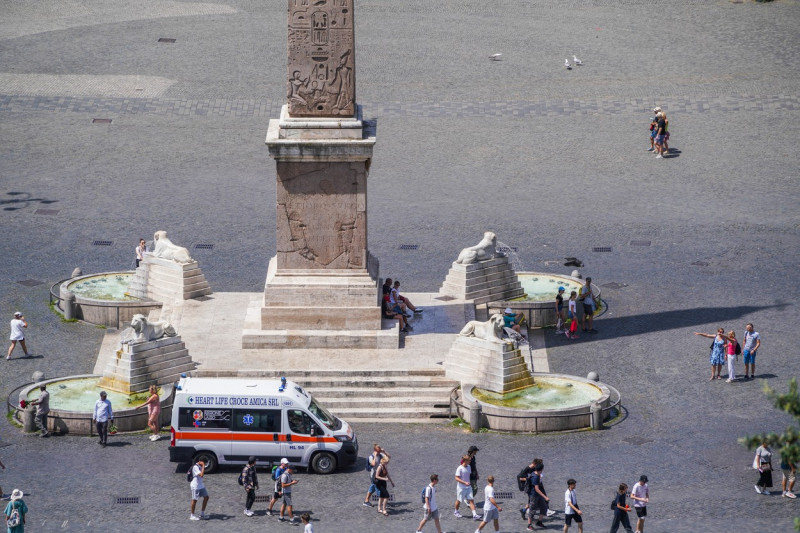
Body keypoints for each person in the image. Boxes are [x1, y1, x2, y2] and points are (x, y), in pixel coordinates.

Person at [454, 455, 481, 520]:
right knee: (459, 500)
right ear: (465, 461)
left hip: (468, 487)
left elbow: (467, 476)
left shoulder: (469, 467)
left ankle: (474, 515)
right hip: (461, 488)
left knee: (471, 500)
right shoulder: (459, 468)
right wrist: (464, 482)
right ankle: (456, 511)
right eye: (469, 460)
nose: (470, 461)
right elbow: (456, 478)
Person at [526, 462, 548, 531]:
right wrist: (545, 497)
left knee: (544, 507)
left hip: (538, 495)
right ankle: (529, 525)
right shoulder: (535, 477)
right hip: (534, 496)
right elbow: (537, 489)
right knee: (532, 510)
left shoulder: (537, 474)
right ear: (541, 469)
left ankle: (539, 522)